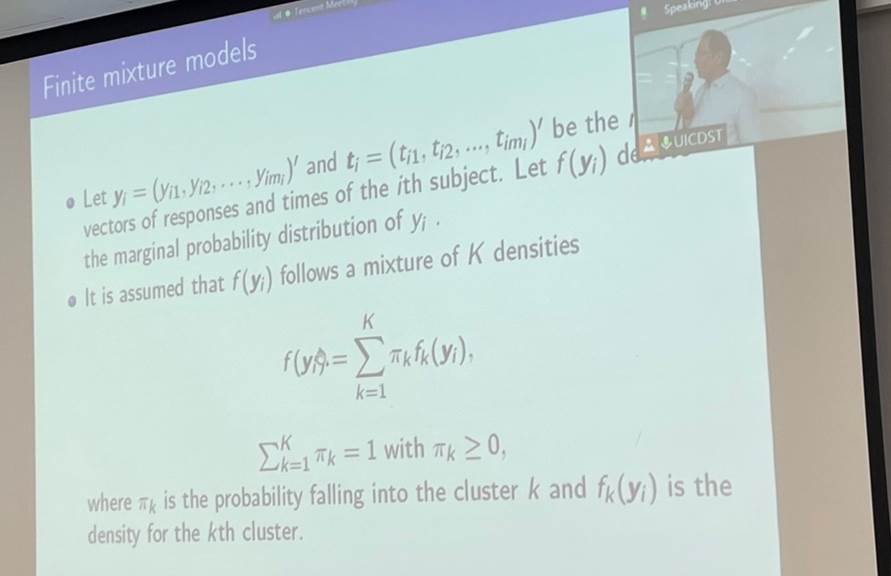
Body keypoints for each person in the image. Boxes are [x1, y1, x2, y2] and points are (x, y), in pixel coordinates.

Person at [674, 29, 759, 145]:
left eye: (701, 54)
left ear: (719, 57)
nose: (695, 60)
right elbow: (693, 139)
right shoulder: (700, 92)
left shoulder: (743, 95)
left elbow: (753, 145)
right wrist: (687, 117)